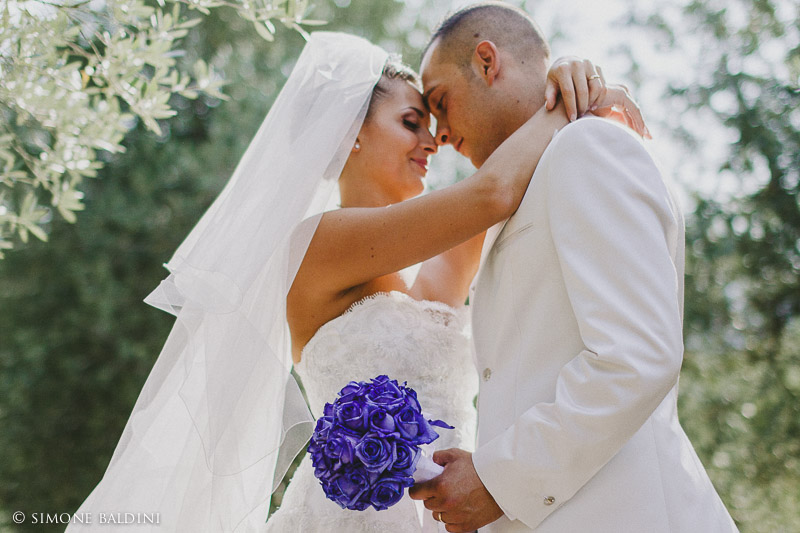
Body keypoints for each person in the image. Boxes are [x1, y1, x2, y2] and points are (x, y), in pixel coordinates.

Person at [67, 32, 646, 532]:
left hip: (451, 515)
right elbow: (491, 191)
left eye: (436, 129)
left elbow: (498, 169)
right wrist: (564, 104)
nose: (435, 142)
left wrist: (569, 77)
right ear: (349, 135)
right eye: (412, 123)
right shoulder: (314, 243)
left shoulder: (424, 281)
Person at [408, 3, 739, 533]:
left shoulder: (589, 147)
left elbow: (637, 357)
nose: (439, 134)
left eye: (441, 103)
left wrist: (497, 479)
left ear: (487, 61)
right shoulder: (518, 194)